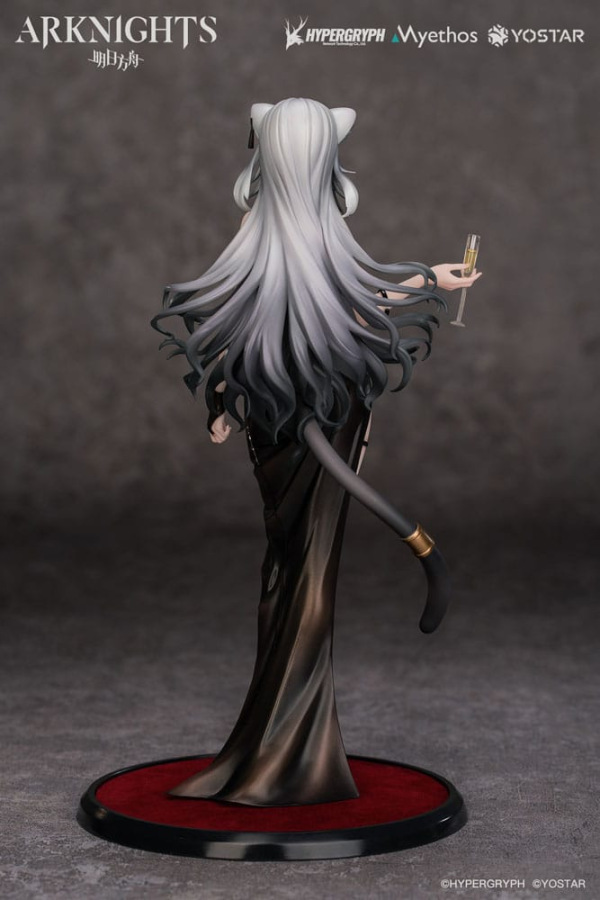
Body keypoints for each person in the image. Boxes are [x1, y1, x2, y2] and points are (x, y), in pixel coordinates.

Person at [151, 98, 482, 806]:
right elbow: (257, 320)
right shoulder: (274, 238)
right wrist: (223, 402)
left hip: (303, 412)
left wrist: (430, 277)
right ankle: (281, 751)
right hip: (302, 415)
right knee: (298, 566)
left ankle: (284, 750)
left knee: (298, 567)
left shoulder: (279, 237)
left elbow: (348, 304)